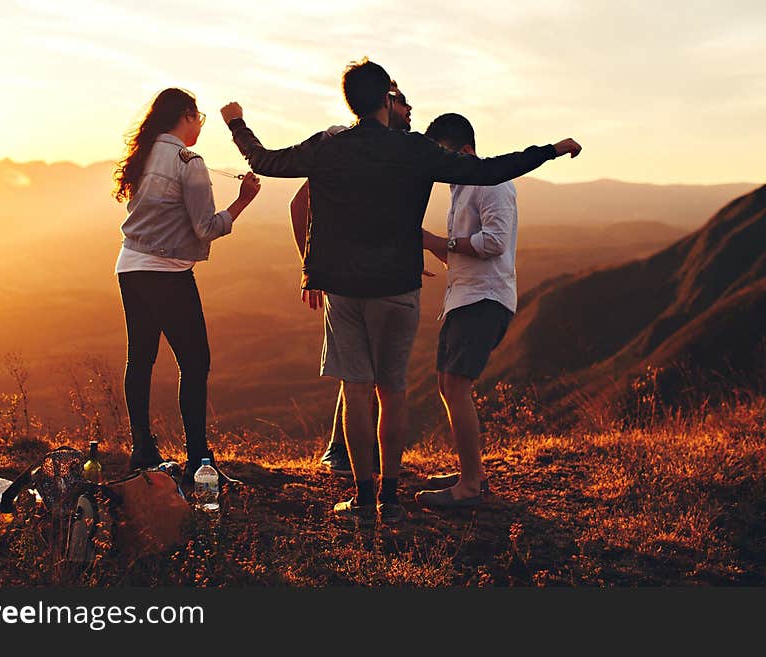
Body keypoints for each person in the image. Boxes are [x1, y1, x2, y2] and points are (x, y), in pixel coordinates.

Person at [221, 58, 581, 527]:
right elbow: (490, 171)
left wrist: (236, 124)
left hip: (345, 289)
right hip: (398, 286)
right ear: (385, 102)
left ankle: (364, 500)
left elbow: (266, 161)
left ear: (351, 101)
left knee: (356, 393)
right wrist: (550, 150)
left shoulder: (328, 147)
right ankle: (391, 499)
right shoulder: (413, 150)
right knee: (393, 392)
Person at [113, 87, 261, 484]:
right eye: (199, 119)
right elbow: (206, 227)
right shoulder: (188, 162)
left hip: (130, 266)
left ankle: (142, 450)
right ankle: (199, 461)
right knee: (195, 362)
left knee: (140, 358)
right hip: (168, 273)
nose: (200, 127)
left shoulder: (144, 155)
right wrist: (243, 200)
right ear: (186, 116)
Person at [288, 81, 413, 477]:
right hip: (348, 278)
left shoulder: (391, 152)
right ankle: (342, 453)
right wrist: (312, 268)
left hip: (375, 273)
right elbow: (299, 203)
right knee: (358, 372)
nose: (411, 110)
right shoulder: (344, 144)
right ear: (384, 103)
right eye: (403, 102)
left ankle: (354, 458)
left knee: (365, 371)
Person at [415, 113, 520, 508]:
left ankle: (470, 486)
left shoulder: (491, 183)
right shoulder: (461, 187)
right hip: (463, 297)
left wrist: (442, 241)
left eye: (442, 154)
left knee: (456, 386)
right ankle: (468, 471)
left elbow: (493, 242)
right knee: (448, 385)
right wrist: (428, 244)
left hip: (485, 299)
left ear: (465, 150)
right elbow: (459, 251)